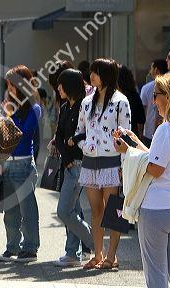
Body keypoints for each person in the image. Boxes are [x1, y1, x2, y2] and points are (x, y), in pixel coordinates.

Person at [114, 73, 170, 287]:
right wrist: (135, 143)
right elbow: (159, 159)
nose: (153, 101)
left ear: (169, 97)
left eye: (156, 95)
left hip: (158, 209)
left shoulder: (166, 129)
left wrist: (128, 153)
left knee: (156, 273)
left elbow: (155, 169)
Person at [76, 58, 131, 270]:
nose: (92, 76)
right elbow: (79, 131)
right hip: (90, 162)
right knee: (95, 210)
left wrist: (124, 166)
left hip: (112, 162)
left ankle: (111, 256)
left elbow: (127, 136)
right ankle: (97, 255)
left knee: (113, 210)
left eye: (96, 72)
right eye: (91, 72)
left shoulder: (121, 101)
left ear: (107, 75)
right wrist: (84, 146)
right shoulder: (86, 102)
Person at [0, 65, 41, 263]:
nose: (9, 89)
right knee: (10, 211)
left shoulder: (34, 107)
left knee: (27, 209)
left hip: (23, 164)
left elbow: (23, 133)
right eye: (7, 85)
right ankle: (12, 246)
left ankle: (30, 248)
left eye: (12, 85)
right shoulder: (9, 107)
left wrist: (8, 115)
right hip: (7, 163)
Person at [53, 69, 94, 267]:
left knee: (64, 212)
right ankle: (72, 253)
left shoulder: (84, 107)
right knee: (72, 212)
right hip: (68, 164)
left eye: (61, 84)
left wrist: (69, 153)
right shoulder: (65, 107)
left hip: (78, 165)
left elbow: (85, 136)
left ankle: (94, 243)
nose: (58, 88)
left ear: (70, 85)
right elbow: (58, 137)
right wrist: (66, 155)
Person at [140, 59, 168, 147]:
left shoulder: (147, 87)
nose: (154, 101)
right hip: (160, 130)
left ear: (156, 69)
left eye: (151, 68)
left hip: (150, 131)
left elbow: (142, 111)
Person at [118, 65, 145, 138]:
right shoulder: (134, 95)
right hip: (132, 136)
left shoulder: (114, 97)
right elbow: (140, 119)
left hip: (123, 137)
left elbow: (140, 119)